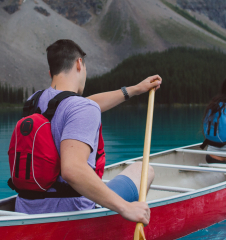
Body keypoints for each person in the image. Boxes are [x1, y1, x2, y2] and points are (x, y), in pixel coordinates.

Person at [15, 39, 162, 224]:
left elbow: (87, 105)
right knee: (144, 169)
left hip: (26, 208)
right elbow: (72, 170)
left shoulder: (34, 101)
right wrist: (126, 208)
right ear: (79, 64)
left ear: (51, 71)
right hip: (72, 211)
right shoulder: (81, 108)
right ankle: (128, 222)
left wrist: (135, 90)